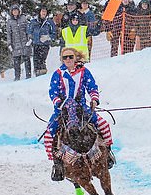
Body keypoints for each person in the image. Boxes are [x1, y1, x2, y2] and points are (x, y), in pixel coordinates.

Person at [44, 47, 115, 181]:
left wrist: (94, 99)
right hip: (62, 110)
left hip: (81, 108)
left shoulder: (84, 72)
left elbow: (92, 87)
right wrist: (59, 102)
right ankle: (57, 165)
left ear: (76, 57)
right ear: (62, 60)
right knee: (49, 134)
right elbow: (52, 91)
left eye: (70, 56)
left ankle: (108, 154)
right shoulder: (58, 73)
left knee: (104, 125)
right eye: (65, 58)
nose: (68, 60)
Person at [28, 5, 57, 76]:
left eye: (45, 11)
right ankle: (36, 73)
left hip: (45, 44)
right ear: (39, 12)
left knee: (42, 60)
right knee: (35, 59)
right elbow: (29, 31)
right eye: (42, 11)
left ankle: (43, 74)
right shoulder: (33, 21)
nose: (44, 13)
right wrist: (31, 37)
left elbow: (54, 34)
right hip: (36, 44)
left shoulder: (49, 22)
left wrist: (48, 37)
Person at [6, 4, 32, 80]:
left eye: (16, 10)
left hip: (25, 43)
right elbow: (9, 33)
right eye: (14, 10)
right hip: (15, 45)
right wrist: (9, 44)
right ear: (11, 12)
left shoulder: (23, 18)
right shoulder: (9, 21)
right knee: (16, 62)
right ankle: (17, 77)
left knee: (27, 61)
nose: (15, 12)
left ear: (19, 11)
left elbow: (28, 30)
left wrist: (30, 39)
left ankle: (28, 76)